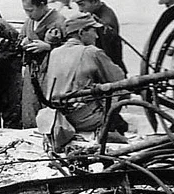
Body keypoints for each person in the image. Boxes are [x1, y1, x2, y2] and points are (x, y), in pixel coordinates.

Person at [42, 14, 130, 144]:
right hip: (83, 119)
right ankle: (107, 130)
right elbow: (119, 78)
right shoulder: (91, 52)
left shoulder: (54, 53)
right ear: (81, 32)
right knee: (120, 95)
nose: (97, 36)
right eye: (94, 31)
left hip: (57, 116)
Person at [20, 0, 66, 124]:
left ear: (42, 5)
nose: (28, 14)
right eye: (26, 11)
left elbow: (71, 48)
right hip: (32, 72)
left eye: (31, 10)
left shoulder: (59, 21)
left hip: (52, 73)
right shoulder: (29, 22)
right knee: (30, 108)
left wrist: (49, 47)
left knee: (50, 109)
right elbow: (21, 37)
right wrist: (23, 42)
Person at [73, 0, 126, 74]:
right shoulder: (98, 14)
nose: (80, 10)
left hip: (109, 72)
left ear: (95, 1)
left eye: (82, 4)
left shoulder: (104, 23)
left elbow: (105, 56)